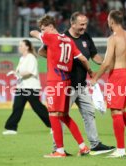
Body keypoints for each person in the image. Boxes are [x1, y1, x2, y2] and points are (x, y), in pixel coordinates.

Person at [39, 12, 115, 155]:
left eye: (85, 24)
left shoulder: (86, 37)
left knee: (89, 113)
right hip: (67, 84)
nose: (84, 27)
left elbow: (93, 56)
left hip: (82, 84)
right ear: (72, 23)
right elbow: (42, 51)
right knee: (60, 115)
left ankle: (94, 144)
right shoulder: (62, 37)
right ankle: (58, 148)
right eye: (81, 24)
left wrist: (105, 63)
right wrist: (60, 61)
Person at [30, 15, 91, 158]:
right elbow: (82, 58)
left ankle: (60, 151)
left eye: (44, 29)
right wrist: (90, 72)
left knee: (52, 115)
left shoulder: (51, 38)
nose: (43, 32)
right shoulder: (69, 40)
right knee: (64, 115)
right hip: (67, 82)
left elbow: (33, 33)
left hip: (55, 82)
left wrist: (39, 34)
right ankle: (83, 147)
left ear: (51, 27)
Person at [90, 10, 126, 158]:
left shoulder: (113, 39)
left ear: (111, 22)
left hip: (117, 77)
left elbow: (106, 63)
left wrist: (95, 78)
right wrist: (125, 63)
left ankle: (121, 149)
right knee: (120, 111)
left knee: (116, 113)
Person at [3, 39, 51, 135]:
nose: (19, 47)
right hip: (21, 87)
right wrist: (16, 73)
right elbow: (20, 72)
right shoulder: (22, 58)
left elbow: (29, 72)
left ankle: (54, 125)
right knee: (17, 107)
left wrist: (17, 73)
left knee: (38, 108)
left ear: (27, 47)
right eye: (19, 45)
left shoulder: (31, 58)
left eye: (21, 45)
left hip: (31, 88)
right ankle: (11, 128)